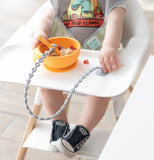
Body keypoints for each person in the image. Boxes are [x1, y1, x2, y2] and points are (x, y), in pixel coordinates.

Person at [32, 0, 127, 158]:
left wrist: (109, 46)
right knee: (46, 83)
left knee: (101, 90)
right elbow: (47, 17)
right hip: (65, 54)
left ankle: (82, 130)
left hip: (97, 57)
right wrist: (41, 31)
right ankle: (59, 123)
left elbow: (115, 19)